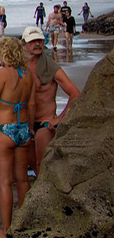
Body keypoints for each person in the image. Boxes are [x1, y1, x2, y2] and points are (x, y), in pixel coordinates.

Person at [0, 37, 34, 238]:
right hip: (22, 127)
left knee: (5, 182)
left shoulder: (4, 73)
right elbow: (31, 105)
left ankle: (6, 230)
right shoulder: (27, 74)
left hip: (4, 128)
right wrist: (30, 128)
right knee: (22, 179)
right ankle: (23, 225)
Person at [21, 27, 81, 174]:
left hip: (44, 123)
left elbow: (75, 93)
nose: (37, 44)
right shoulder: (18, 67)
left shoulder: (50, 66)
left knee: (42, 164)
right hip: (23, 124)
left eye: (40, 40)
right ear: (24, 44)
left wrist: (59, 118)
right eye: (33, 41)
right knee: (30, 165)